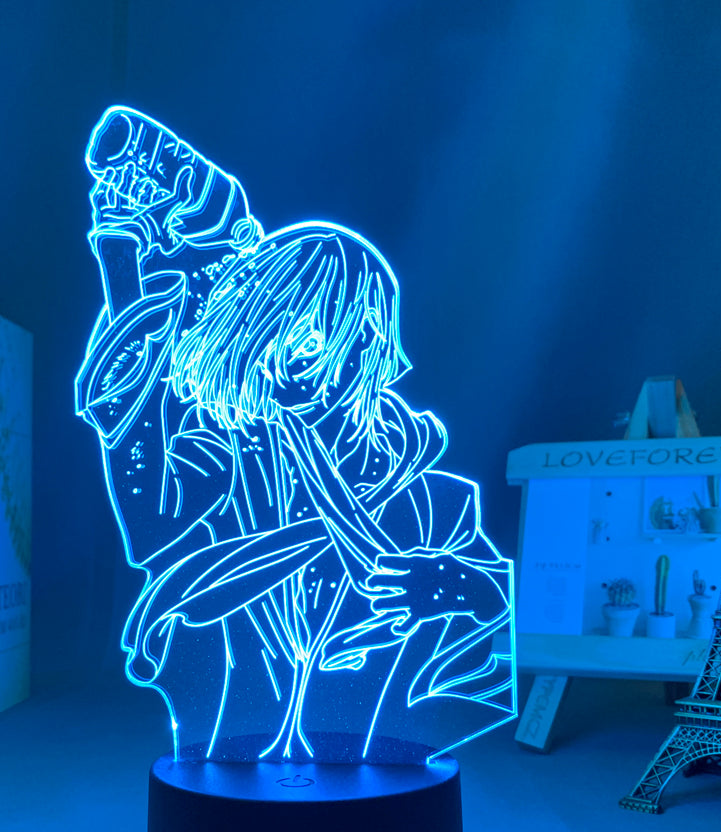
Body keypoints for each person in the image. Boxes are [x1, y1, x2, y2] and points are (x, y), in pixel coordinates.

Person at [119, 222, 515, 762]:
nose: (278, 371)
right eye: (264, 343)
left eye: (305, 344)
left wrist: (455, 583)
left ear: (368, 335)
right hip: (240, 746)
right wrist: (131, 412)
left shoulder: (438, 504)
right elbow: (152, 524)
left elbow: (504, 610)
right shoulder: (236, 451)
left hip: (385, 751)